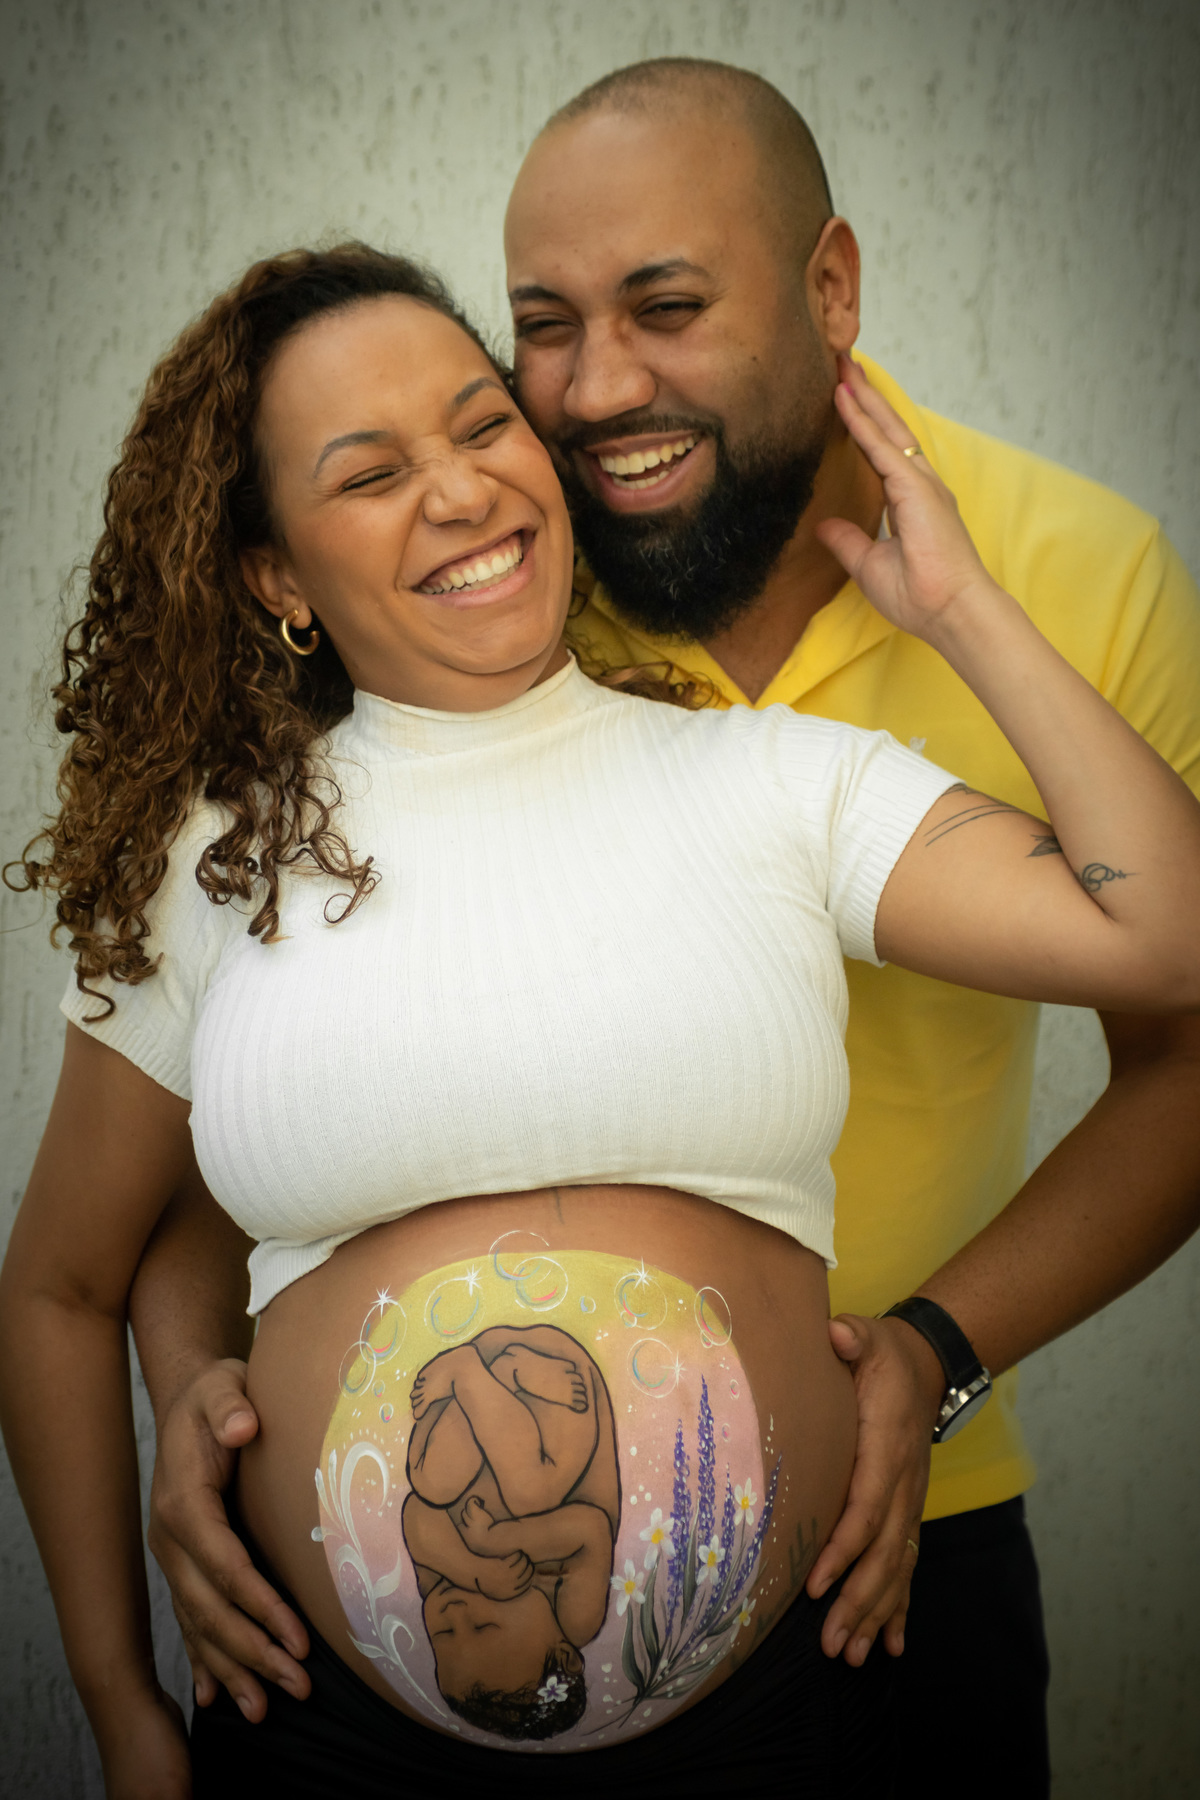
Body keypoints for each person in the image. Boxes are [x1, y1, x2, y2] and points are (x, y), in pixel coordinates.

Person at [2, 231, 1199, 1799]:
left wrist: (961, 605)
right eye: (372, 473)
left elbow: (1167, 939)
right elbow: (62, 1285)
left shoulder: (776, 781)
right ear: (275, 574)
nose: (459, 489)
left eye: (482, 423)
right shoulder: (215, 860)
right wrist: (119, 1697)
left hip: (788, 1712)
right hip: (326, 1735)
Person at [402, 1325, 619, 1736]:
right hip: (559, 1395)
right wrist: (497, 1539)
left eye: (443, 1634)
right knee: (531, 1496)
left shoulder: (454, 1581)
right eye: (482, 1627)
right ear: (565, 1655)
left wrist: (471, 1569)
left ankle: (473, 1374)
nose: (454, 1612)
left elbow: (416, 1514)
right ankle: (497, 1373)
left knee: (429, 1482)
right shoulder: (575, 1620)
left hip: (469, 1406)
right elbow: (591, 1528)